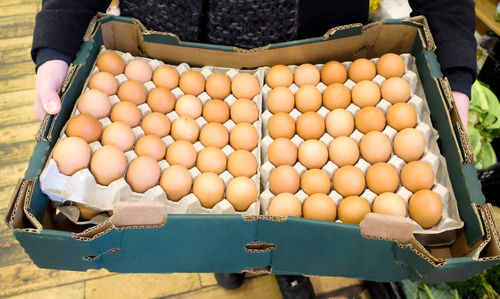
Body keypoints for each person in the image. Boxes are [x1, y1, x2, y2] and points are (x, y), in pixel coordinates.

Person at [31, 1, 477, 298]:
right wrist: (58, 39)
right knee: (210, 216)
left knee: (296, 217)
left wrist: (453, 71)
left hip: (317, 53)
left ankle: (286, 261)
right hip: (165, 55)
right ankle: (229, 259)